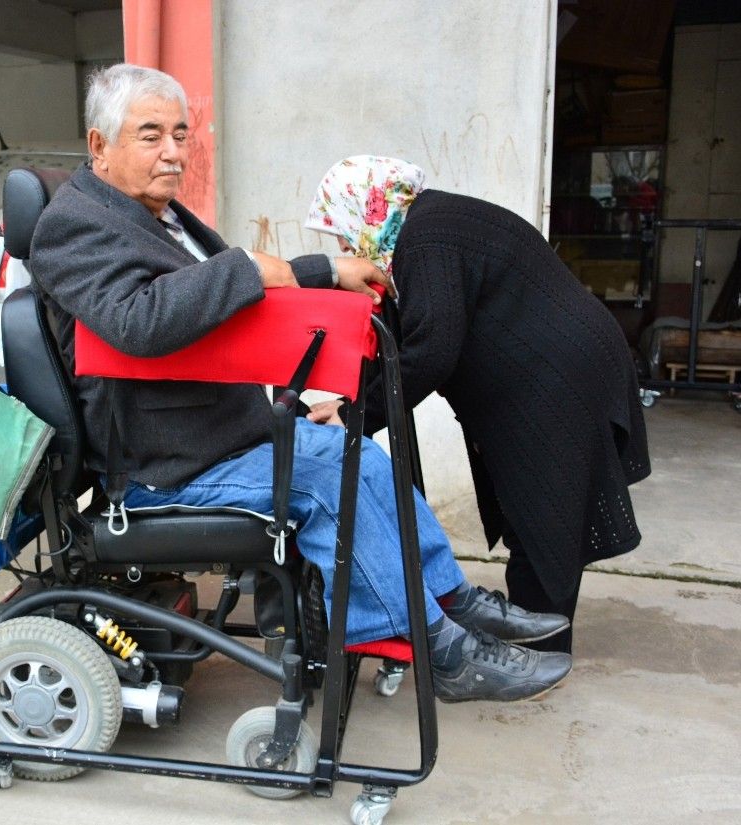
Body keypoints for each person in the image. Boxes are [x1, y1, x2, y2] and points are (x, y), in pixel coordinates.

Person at [30, 64, 573, 702]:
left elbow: (226, 296)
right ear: (100, 145)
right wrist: (252, 266)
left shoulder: (153, 213)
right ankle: (439, 650)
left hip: (220, 435)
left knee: (358, 453)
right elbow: (136, 320)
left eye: (180, 134)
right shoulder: (73, 226)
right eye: (151, 135)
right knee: (323, 486)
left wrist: (316, 273)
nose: (174, 152)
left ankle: (449, 597)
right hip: (164, 466)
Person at [305, 155, 652, 654]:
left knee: (543, 519)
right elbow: (412, 342)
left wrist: (358, 414)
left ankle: (541, 651)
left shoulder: (425, 239)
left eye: (341, 229)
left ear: (367, 208)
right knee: (531, 514)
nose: (343, 246)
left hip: (559, 377)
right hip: (553, 371)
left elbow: (430, 351)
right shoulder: (424, 227)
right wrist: (352, 402)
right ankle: (536, 633)